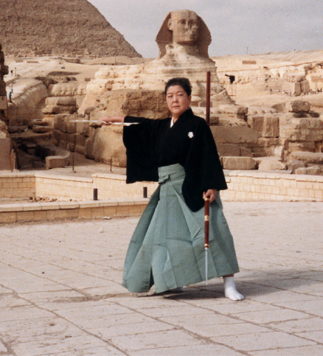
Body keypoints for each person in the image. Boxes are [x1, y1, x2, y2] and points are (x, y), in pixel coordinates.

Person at [101, 77, 244, 301]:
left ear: (189, 98)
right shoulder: (163, 126)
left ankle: (229, 285)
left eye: (179, 95)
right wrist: (115, 120)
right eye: (169, 96)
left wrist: (212, 185)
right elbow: (141, 125)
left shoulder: (197, 125)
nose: (174, 100)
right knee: (165, 239)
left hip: (193, 186)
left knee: (214, 231)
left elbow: (208, 154)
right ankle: (171, 281)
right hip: (167, 189)